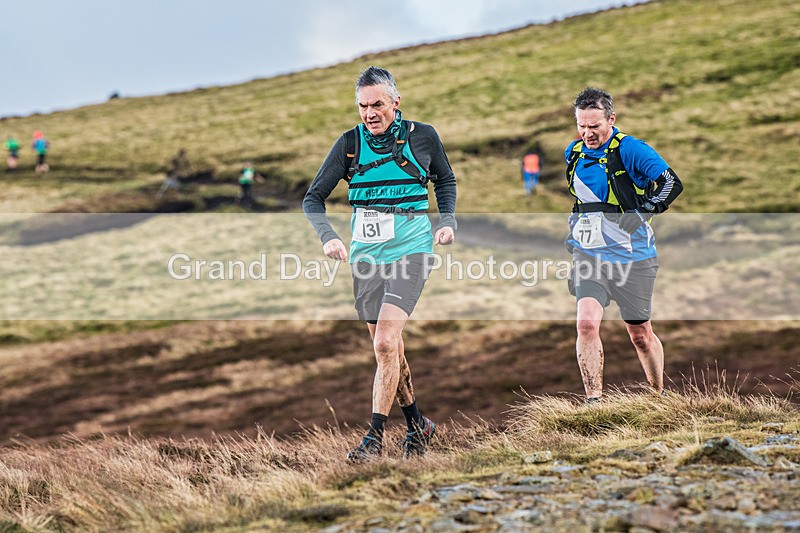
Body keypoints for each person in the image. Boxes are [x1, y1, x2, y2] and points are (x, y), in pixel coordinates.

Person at [304, 66, 457, 462]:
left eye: (377, 105)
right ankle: (418, 426)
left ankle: (372, 439)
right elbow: (312, 198)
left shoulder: (423, 136)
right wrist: (329, 236)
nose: (370, 113)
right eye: (362, 106)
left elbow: (445, 180)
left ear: (395, 102)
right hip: (367, 258)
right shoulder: (349, 144)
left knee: (386, 342)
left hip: (412, 249)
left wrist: (447, 220)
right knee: (388, 350)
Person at [564, 87, 683, 403]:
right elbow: (583, 202)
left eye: (594, 126)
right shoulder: (573, 154)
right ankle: (594, 402)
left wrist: (644, 210)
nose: (587, 133)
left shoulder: (631, 149)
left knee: (640, 335)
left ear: (611, 119)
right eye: (582, 126)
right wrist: (575, 232)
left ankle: (657, 396)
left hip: (633, 255)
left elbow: (672, 183)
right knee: (586, 323)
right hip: (589, 254)